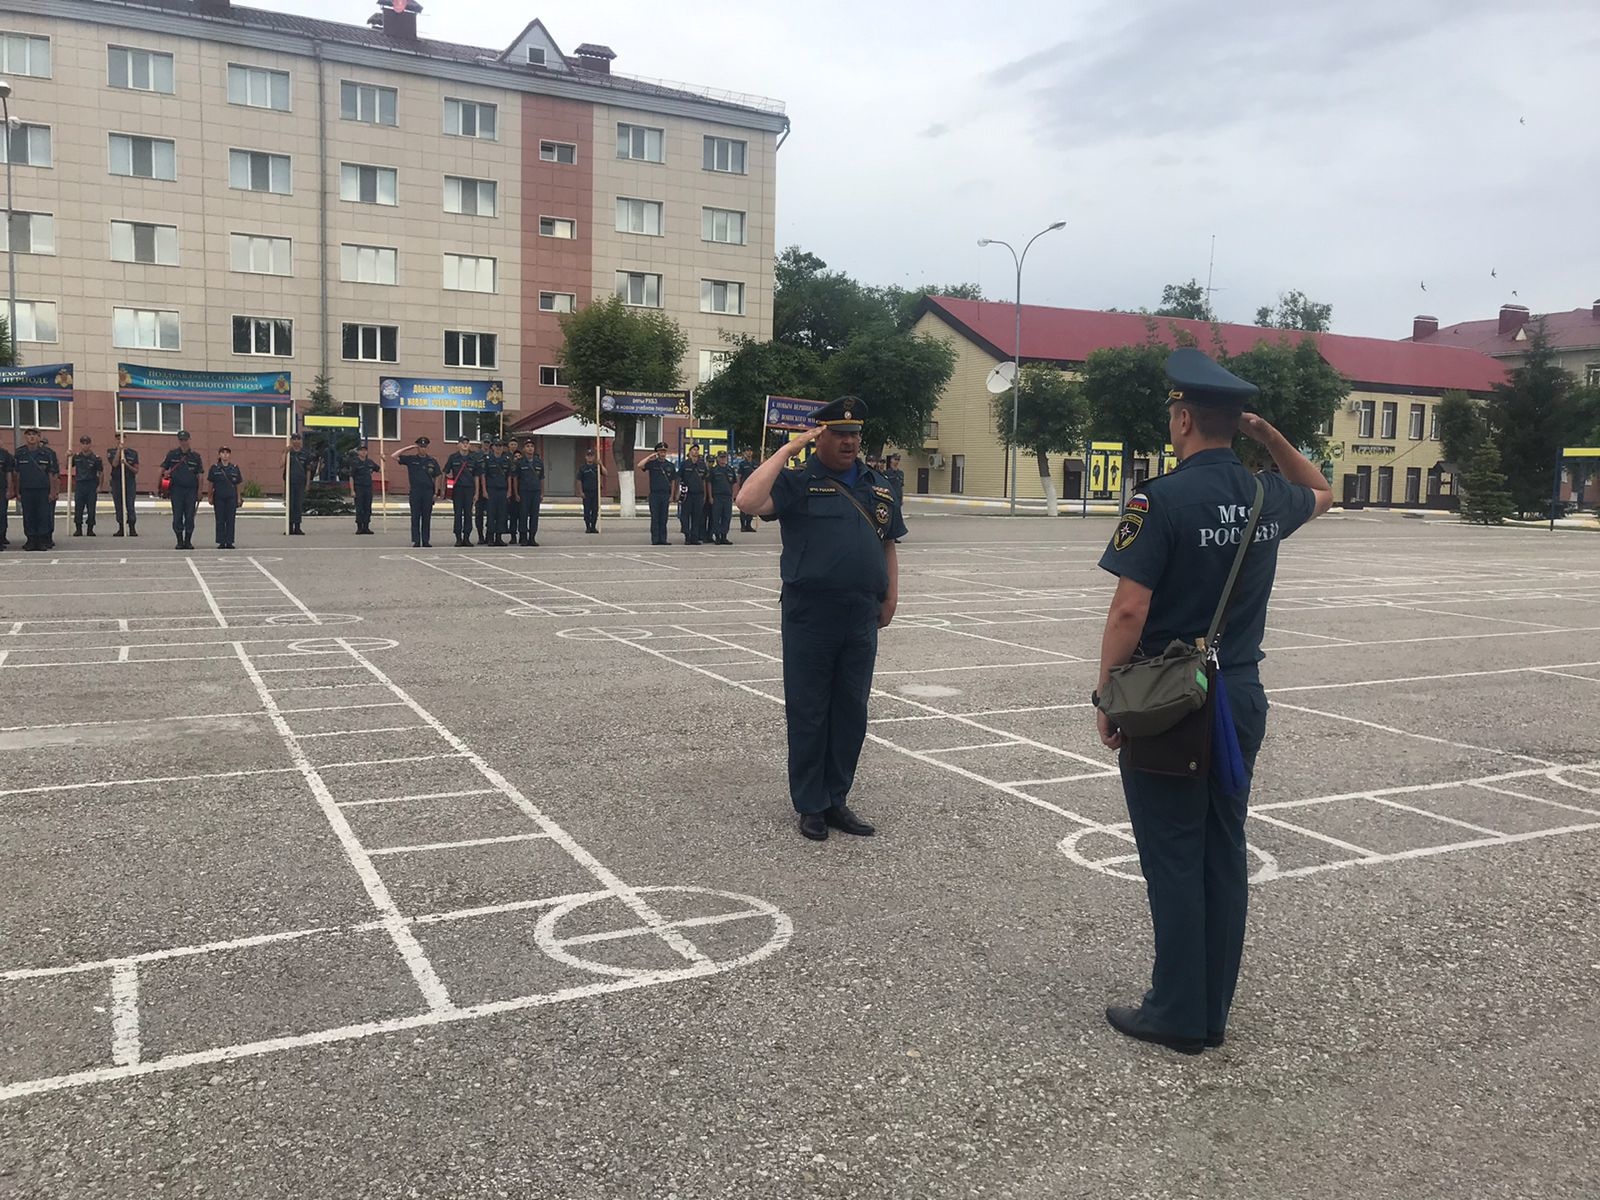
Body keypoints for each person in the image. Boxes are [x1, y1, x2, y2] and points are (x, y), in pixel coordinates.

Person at [1093, 349, 1332, 1055]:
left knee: (1172, 854)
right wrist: (1270, 439)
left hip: (1173, 703)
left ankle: (1176, 1013)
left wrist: (1107, 694)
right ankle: (1210, 1011)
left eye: (1174, 413)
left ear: (1186, 417)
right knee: (1221, 851)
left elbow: (1129, 612)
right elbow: (1322, 490)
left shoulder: (1159, 498)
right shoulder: (1265, 496)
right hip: (1239, 698)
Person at [736, 396, 905, 842]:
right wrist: (787, 451)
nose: (849, 442)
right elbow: (748, 501)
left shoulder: (879, 485)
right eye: (839, 434)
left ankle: (837, 799)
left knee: (851, 711)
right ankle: (810, 804)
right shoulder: (797, 481)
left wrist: (892, 596)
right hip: (810, 614)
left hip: (861, 614)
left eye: (854, 434)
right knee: (810, 710)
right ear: (820, 436)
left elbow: (888, 542)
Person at [14, 427, 61, 552]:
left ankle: (41, 540)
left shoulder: (47, 453)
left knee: (42, 515)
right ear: (25, 437)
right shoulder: (19, 453)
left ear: (39, 437)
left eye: (34, 435)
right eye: (28, 435)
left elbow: (52, 474)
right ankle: (30, 540)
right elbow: (17, 474)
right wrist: (17, 491)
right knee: (28, 515)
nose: (31, 437)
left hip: (42, 490)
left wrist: (53, 491)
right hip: (26, 489)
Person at [392, 436, 442, 548]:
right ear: (417, 447)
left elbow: (438, 476)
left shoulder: (432, 461)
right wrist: (409, 447)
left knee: (426, 517)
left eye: (424, 447)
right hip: (415, 492)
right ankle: (416, 540)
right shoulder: (411, 459)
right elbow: (394, 456)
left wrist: (436, 492)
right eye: (420, 446)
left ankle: (425, 540)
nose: (422, 449)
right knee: (415, 517)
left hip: (428, 492)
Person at [160, 431, 204, 551]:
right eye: (181, 440)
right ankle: (179, 541)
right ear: (178, 441)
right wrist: (161, 481)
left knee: (190, 516)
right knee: (177, 515)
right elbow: (163, 469)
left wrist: (200, 491)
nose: (183, 442)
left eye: (185, 440)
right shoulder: (172, 454)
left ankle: (188, 541)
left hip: (191, 490)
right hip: (176, 490)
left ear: (189, 440)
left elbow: (200, 475)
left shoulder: (196, 456)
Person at [638, 441, 676, 546]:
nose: (662, 453)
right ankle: (655, 539)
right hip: (654, 495)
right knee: (655, 517)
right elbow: (639, 465)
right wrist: (649, 457)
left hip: (665, 495)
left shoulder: (670, 465)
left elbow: (673, 481)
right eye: (660, 451)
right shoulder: (652, 464)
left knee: (664, 518)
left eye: (664, 451)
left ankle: (663, 539)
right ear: (657, 452)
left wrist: (672, 495)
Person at [207, 445, 243, 549]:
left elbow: (238, 484)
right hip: (219, 497)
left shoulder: (234, 468)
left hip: (231, 497)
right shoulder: (214, 468)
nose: (225, 455)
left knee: (230, 520)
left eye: (227, 453)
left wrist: (239, 497)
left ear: (229, 455)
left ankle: (229, 541)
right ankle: (221, 541)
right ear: (219, 455)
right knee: (220, 520)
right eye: (223, 453)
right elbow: (210, 483)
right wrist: (209, 496)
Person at [480, 438, 513, 547]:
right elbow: (483, 476)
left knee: (501, 515)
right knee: (491, 514)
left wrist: (509, 490)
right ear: (492, 447)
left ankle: (499, 537)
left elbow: (509, 476)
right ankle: (490, 537)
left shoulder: (506, 459)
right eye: (496, 446)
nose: (499, 448)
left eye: (500, 446)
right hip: (491, 490)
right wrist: (484, 490)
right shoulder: (488, 459)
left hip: (502, 490)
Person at [444, 437, 477, 547]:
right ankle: (458, 538)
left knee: (468, 514)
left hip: (469, 489)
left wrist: (477, 492)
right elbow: (446, 471)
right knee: (458, 513)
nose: (465, 445)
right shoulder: (453, 458)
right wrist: (446, 486)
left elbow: (477, 476)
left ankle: (467, 538)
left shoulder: (473, 458)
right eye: (463, 443)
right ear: (458, 445)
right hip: (457, 489)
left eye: (467, 443)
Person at [514, 438, 545, 546]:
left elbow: (541, 478)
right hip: (524, 492)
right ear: (524, 448)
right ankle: (523, 537)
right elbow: (515, 479)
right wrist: (516, 493)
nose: (530, 448)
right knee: (523, 515)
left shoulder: (539, 462)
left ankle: (532, 537)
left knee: (534, 515)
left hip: (535, 492)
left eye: (532, 446)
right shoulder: (520, 462)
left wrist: (542, 493)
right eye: (527, 446)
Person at [677, 443, 709, 545]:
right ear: (690, 452)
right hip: (687, 494)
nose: (696, 451)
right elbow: (678, 478)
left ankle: (694, 537)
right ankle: (687, 536)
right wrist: (678, 493)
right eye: (694, 450)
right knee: (685, 516)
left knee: (697, 516)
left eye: (697, 450)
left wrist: (705, 494)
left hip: (698, 494)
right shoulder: (684, 464)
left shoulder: (702, 465)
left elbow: (704, 480)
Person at [108, 433, 139, 537]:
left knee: (130, 505)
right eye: (117, 439)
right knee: (119, 505)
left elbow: (136, 470)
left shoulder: (133, 453)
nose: (119, 441)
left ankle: (132, 528)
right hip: (117, 482)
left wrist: (126, 463)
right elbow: (115, 464)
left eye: (121, 439)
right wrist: (119, 451)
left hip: (129, 482)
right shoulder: (111, 452)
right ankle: (121, 527)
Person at [72, 435, 103, 537]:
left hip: (91, 484)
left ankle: (90, 529)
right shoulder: (76, 457)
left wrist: (100, 486)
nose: (85, 445)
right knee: (78, 508)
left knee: (91, 508)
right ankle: (78, 529)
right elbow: (67, 466)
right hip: (80, 484)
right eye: (83, 443)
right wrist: (67, 456)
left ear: (90, 444)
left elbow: (101, 472)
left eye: (87, 443)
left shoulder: (96, 458)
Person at [282, 433, 313, 535]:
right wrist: (285, 453)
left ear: (301, 441)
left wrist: (308, 484)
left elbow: (308, 470)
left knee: (298, 505)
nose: (296, 441)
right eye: (294, 439)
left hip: (300, 482)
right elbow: (281, 464)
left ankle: (297, 527)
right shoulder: (289, 452)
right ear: (291, 441)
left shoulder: (305, 453)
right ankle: (289, 527)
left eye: (298, 439)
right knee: (290, 505)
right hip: (290, 482)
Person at [348, 442, 380, 534]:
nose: (363, 452)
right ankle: (359, 527)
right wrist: (352, 490)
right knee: (359, 508)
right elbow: (351, 477)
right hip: (359, 487)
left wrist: (383, 460)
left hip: (368, 487)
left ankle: (366, 526)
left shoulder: (369, 462)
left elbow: (380, 470)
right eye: (361, 450)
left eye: (365, 450)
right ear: (358, 452)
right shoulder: (355, 462)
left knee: (367, 507)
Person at [708, 450, 737, 545]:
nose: (723, 459)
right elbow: (709, 484)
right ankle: (717, 537)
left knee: (726, 517)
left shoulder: (730, 470)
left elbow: (734, 483)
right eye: (721, 457)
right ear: (717, 458)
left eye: (724, 457)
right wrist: (710, 497)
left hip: (727, 497)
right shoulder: (714, 470)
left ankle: (724, 536)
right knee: (716, 517)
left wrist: (733, 496)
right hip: (717, 497)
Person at [578, 446, 607, 533]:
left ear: (594, 457)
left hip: (596, 492)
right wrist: (580, 492)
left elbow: (606, 473)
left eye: (591, 455)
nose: (590, 457)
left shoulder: (597, 467)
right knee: (587, 510)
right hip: (586, 492)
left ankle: (593, 527)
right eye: (588, 455)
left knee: (595, 510)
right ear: (586, 457)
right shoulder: (582, 468)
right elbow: (579, 480)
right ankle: (588, 527)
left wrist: (601, 464)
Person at [735, 448, 758, 533]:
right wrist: (737, 488)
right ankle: (743, 525)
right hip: (744, 487)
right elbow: (739, 476)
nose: (749, 452)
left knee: (751, 506)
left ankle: (749, 524)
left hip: (753, 487)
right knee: (743, 507)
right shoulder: (742, 464)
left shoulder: (755, 463)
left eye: (750, 451)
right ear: (744, 453)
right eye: (747, 451)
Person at [0, 439, 13, 550]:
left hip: (1, 489)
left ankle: (1, 537)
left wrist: (9, 489)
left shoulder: (5, 455)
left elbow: (9, 473)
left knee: (1, 514)